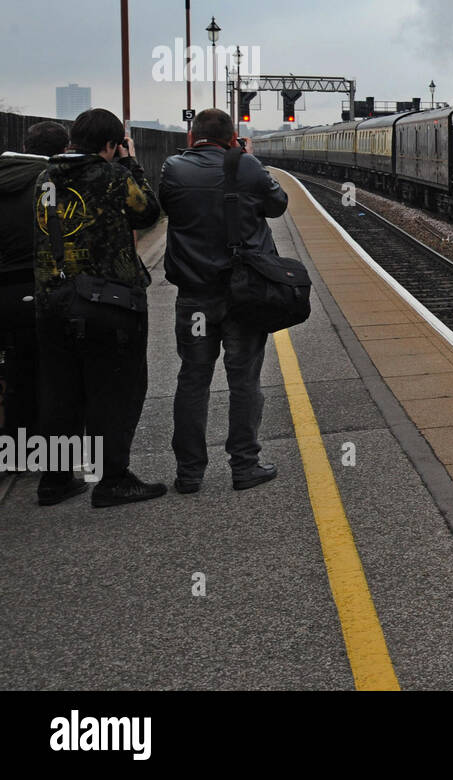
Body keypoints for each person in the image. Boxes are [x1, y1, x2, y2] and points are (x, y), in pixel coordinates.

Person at [33, 109, 164, 507]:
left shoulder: (46, 177)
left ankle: (54, 482)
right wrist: (130, 162)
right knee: (116, 391)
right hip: (108, 302)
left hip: (52, 301)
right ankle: (114, 480)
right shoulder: (112, 177)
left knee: (61, 393)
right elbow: (149, 212)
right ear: (110, 144)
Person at [159, 108, 287, 493]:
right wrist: (248, 162)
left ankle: (189, 473)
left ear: (190, 137)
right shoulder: (246, 166)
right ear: (233, 138)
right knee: (244, 380)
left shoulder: (172, 169)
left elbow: (167, 209)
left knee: (193, 379)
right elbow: (277, 205)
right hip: (242, 295)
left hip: (195, 297)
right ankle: (245, 466)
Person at [0, 122, 69, 460]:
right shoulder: (53, 181)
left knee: (14, 373)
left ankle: (13, 450)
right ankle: (50, 458)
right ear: (62, 149)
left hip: (4, 292)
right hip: (40, 286)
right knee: (51, 372)